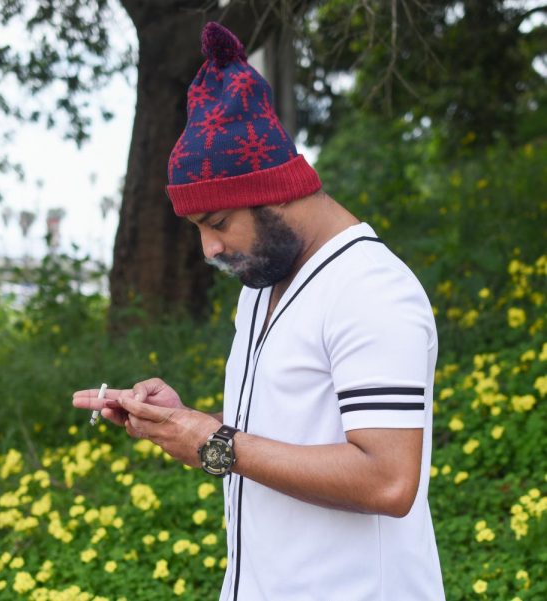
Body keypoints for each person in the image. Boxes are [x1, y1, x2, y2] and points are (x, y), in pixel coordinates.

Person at [72, 21, 445, 600]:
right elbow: (278, 438)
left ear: (275, 189)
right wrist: (183, 422)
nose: (209, 249)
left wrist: (214, 441)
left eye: (218, 223)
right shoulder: (264, 284)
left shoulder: (370, 289)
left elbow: (389, 480)